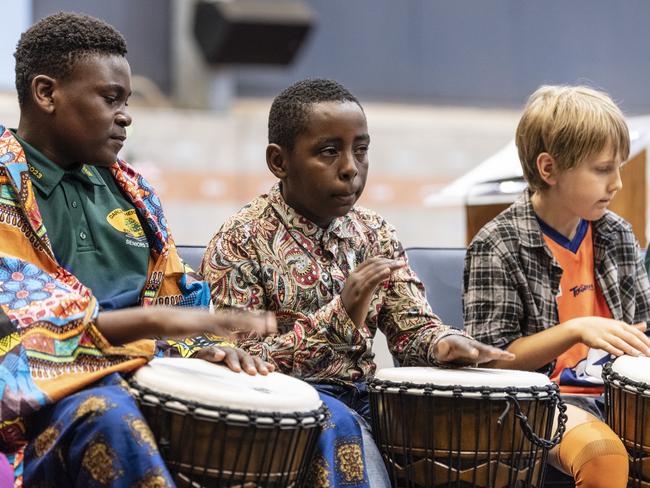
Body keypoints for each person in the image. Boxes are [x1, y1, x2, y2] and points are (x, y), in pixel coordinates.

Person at [0, 12, 275, 486]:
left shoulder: (134, 192)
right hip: (48, 403)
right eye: (110, 99)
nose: (126, 115)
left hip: (145, 373)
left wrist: (208, 349)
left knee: (328, 417)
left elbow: (178, 297)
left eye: (126, 101)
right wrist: (153, 324)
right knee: (112, 416)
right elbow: (20, 327)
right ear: (46, 94)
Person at [201, 78, 514, 487]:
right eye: (329, 152)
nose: (350, 167)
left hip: (370, 399)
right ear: (279, 162)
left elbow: (412, 327)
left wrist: (442, 343)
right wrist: (341, 314)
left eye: (361, 150)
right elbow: (245, 361)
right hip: (289, 413)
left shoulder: (375, 233)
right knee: (344, 428)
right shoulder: (239, 240)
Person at [463, 85, 650, 487]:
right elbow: (488, 362)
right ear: (548, 169)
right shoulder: (498, 244)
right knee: (602, 455)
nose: (617, 183)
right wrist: (574, 330)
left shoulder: (616, 234)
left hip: (619, 396)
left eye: (619, 166)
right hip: (537, 403)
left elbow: (642, 328)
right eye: (602, 170)